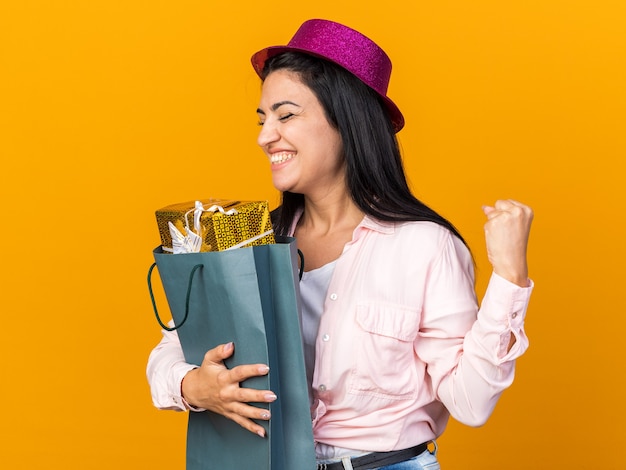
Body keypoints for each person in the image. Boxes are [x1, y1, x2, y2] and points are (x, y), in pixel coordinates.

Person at [147, 19, 534, 470]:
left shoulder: (424, 247)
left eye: (286, 115)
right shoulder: (250, 241)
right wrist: (194, 386)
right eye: (262, 118)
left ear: (346, 121)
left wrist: (510, 278)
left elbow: (471, 402)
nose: (264, 135)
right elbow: (168, 355)